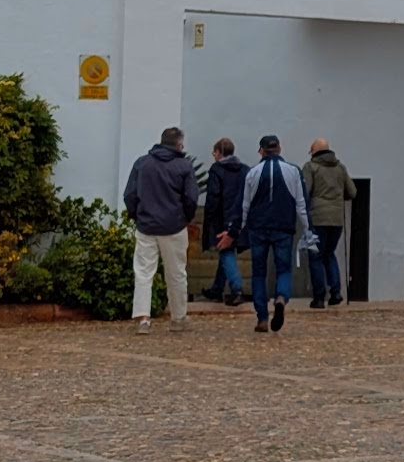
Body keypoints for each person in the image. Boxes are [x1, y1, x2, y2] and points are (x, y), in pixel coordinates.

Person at [120, 126, 201, 324]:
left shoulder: (142, 163)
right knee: (176, 273)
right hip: (174, 226)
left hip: (146, 225)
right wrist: (185, 218)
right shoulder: (183, 166)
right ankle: (178, 317)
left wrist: (136, 216)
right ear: (179, 144)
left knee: (143, 273)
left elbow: (129, 194)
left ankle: (142, 318)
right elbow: (191, 197)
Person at [238, 134, 309, 329]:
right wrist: (308, 229)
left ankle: (262, 317)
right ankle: (281, 296)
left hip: (258, 227)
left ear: (261, 150)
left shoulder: (253, 172)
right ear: (279, 149)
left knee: (259, 273)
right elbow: (301, 203)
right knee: (284, 268)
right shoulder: (293, 171)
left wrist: (239, 228)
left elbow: (245, 205)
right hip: (283, 226)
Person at [301, 136, 354, 307]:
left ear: (315, 151)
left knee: (316, 257)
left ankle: (318, 298)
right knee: (329, 254)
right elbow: (352, 192)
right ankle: (336, 292)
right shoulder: (340, 168)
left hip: (317, 218)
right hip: (337, 219)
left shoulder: (311, 167)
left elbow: (305, 192)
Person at [199, 135, 248, 302]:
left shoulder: (217, 170)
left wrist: (209, 220)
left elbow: (213, 197)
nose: (213, 155)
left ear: (219, 153)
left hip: (222, 217)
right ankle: (217, 288)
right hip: (240, 217)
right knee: (226, 250)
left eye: (214, 152)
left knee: (225, 250)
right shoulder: (244, 170)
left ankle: (237, 289)